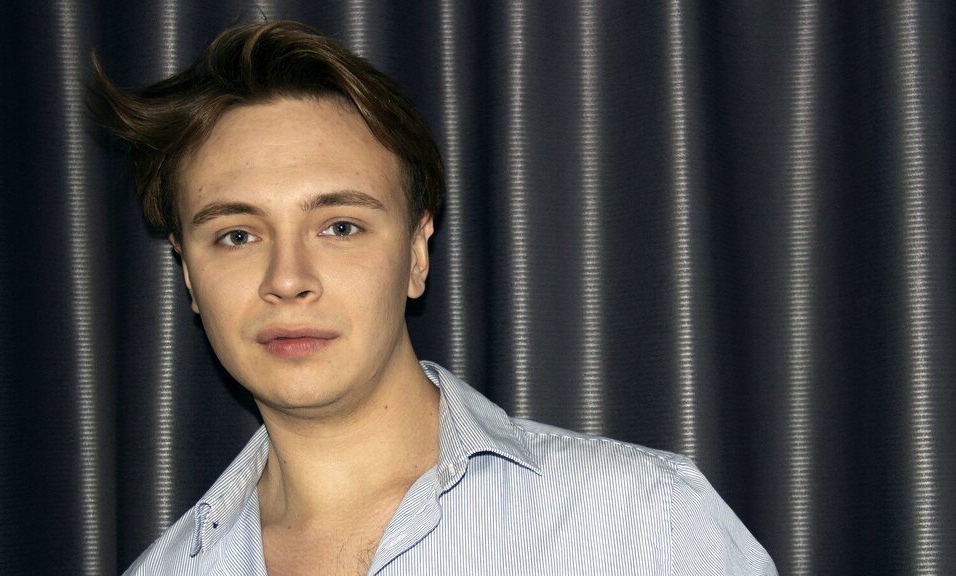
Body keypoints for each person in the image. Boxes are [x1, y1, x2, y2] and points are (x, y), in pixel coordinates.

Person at [92, 20, 777, 576]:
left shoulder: (645, 525)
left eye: (340, 227)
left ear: (417, 254)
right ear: (189, 276)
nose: (288, 278)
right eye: (238, 235)